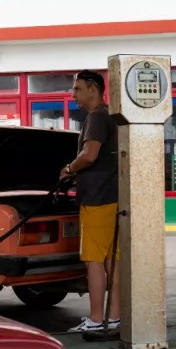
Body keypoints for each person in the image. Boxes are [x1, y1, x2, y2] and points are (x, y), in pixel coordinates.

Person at [60, 70, 120, 332]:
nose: (73, 94)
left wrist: (69, 170)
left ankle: (96, 319)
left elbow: (89, 154)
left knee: (94, 261)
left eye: (77, 89)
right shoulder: (111, 117)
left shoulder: (96, 117)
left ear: (93, 89)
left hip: (96, 200)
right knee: (112, 261)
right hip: (113, 197)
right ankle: (114, 317)